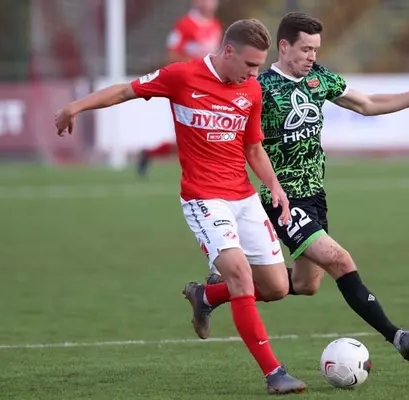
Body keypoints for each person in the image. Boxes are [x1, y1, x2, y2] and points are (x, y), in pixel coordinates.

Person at [54, 19, 307, 395]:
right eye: (250, 64)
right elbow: (125, 91)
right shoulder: (182, 76)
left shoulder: (251, 90)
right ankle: (275, 373)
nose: (255, 74)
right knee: (240, 275)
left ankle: (206, 296)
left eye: (259, 66)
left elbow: (253, 147)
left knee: (277, 287)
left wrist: (274, 186)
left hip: (243, 197)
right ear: (228, 51)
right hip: (203, 198)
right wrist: (76, 106)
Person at [196, 12, 409, 363]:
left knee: (306, 284)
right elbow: (235, 135)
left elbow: (367, 104)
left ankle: (209, 295)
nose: (312, 56)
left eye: (316, 50)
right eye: (305, 49)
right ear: (284, 46)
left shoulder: (319, 78)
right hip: (282, 199)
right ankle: (398, 337)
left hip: (315, 196)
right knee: (340, 259)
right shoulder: (259, 86)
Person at [137, 0, 222, 177]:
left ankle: (149, 153)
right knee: (197, 133)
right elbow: (172, 54)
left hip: (209, 86)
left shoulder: (215, 25)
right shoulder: (185, 24)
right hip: (189, 86)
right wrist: (194, 68)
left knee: (199, 134)